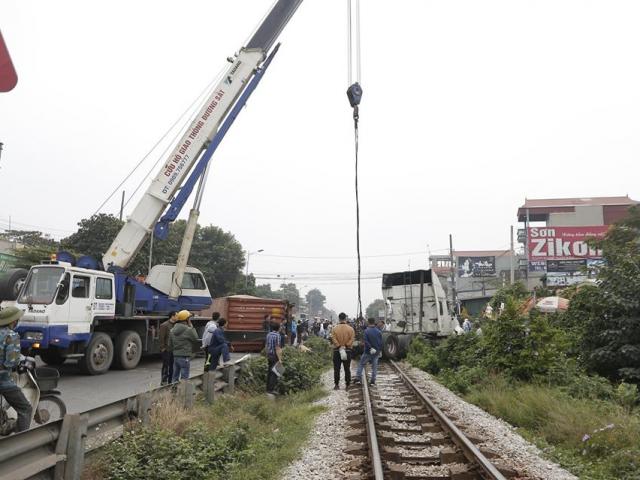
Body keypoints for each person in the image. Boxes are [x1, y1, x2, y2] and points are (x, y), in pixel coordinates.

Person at [0, 307, 32, 432]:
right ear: (13, 321)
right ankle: (21, 443)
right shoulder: (11, 336)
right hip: (2, 380)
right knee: (25, 409)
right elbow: (11, 362)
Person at [169, 310, 200, 382]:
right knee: (184, 378)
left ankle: (174, 391)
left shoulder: (172, 330)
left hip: (176, 356)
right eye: (189, 318)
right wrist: (192, 327)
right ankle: (183, 392)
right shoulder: (188, 330)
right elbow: (195, 339)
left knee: (175, 376)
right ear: (186, 319)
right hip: (184, 356)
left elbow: (170, 344)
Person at [354, 318, 383, 385]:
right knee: (374, 366)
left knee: (361, 364)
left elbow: (366, 341)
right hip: (376, 352)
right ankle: (373, 381)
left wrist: (370, 348)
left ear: (368, 322)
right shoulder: (378, 331)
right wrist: (380, 350)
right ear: (374, 322)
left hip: (368, 352)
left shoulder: (366, 331)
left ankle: (358, 378)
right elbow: (381, 342)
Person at [331, 312, 355, 390]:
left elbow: (333, 339)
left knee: (337, 369)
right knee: (347, 368)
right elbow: (352, 339)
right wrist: (346, 345)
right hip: (347, 350)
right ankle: (347, 385)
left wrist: (339, 346)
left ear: (339, 318)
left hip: (337, 351)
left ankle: (336, 385)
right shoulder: (351, 329)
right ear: (345, 318)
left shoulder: (334, 328)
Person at [159, 311, 177, 385]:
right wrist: (163, 348)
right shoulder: (164, 325)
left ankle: (170, 381)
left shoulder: (176, 325)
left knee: (172, 367)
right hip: (166, 350)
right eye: (176, 316)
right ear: (172, 316)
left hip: (174, 350)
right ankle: (163, 381)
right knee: (166, 366)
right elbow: (161, 338)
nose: (177, 317)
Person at [265, 322, 283, 395]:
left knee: (269, 372)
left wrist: (267, 354)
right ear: (278, 328)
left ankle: (268, 388)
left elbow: (266, 345)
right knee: (275, 372)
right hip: (274, 356)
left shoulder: (268, 334)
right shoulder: (278, 335)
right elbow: (277, 348)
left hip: (269, 355)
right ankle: (271, 389)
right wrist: (280, 359)